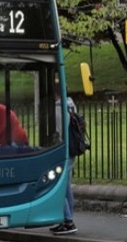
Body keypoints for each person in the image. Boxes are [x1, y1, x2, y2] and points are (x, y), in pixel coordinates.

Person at [51, 97, 79, 235]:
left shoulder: (58, 108)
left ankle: (68, 221)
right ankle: (67, 218)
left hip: (63, 151)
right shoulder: (70, 104)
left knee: (58, 186)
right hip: (72, 149)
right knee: (66, 186)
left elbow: (59, 132)